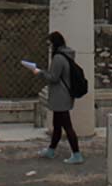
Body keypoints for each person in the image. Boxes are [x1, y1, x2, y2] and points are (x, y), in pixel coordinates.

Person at [33, 31, 84, 164]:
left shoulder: (58, 58)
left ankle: (77, 154)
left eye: (50, 44)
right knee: (57, 125)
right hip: (64, 95)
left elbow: (53, 78)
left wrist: (39, 72)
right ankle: (51, 150)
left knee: (67, 126)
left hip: (60, 96)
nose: (49, 48)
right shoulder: (67, 56)